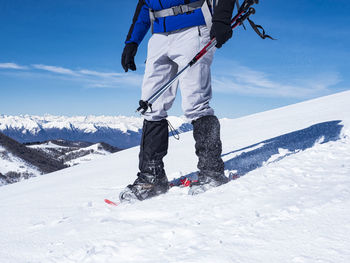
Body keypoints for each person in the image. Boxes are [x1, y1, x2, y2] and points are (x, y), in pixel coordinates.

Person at [120, 0, 236, 202]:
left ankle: (212, 172)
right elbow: (145, 5)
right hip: (158, 36)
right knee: (151, 104)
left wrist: (222, 18)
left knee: (195, 103)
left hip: (193, 28)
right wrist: (132, 42)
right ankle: (152, 177)